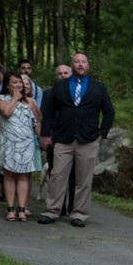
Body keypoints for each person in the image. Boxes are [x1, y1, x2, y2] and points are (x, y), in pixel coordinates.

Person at [38, 51, 114, 227]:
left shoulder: (98, 87)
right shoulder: (60, 86)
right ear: (72, 65)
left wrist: (102, 134)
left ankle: (79, 214)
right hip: (63, 138)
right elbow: (48, 112)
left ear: (87, 66)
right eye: (77, 61)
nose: (80, 64)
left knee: (83, 179)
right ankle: (51, 211)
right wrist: (45, 134)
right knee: (57, 176)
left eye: (83, 62)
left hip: (88, 140)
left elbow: (109, 111)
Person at [0, 71, 42, 221]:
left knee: (23, 176)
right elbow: (6, 112)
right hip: (8, 142)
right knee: (9, 175)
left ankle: (22, 208)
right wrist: (15, 99)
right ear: (7, 85)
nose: (18, 85)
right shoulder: (1, 99)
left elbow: (38, 121)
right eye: (14, 82)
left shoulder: (30, 102)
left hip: (26, 142)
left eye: (20, 82)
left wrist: (41, 140)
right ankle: (10, 209)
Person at [44, 64, 75, 215]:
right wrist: (46, 135)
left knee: (74, 176)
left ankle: (73, 207)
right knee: (56, 174)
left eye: (66, 73)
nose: (63, 76)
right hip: (55, 139)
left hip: (75, 139)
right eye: (60, 74)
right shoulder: (49, 93)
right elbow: (46, 116)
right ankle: (57, 206)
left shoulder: (79, 93)